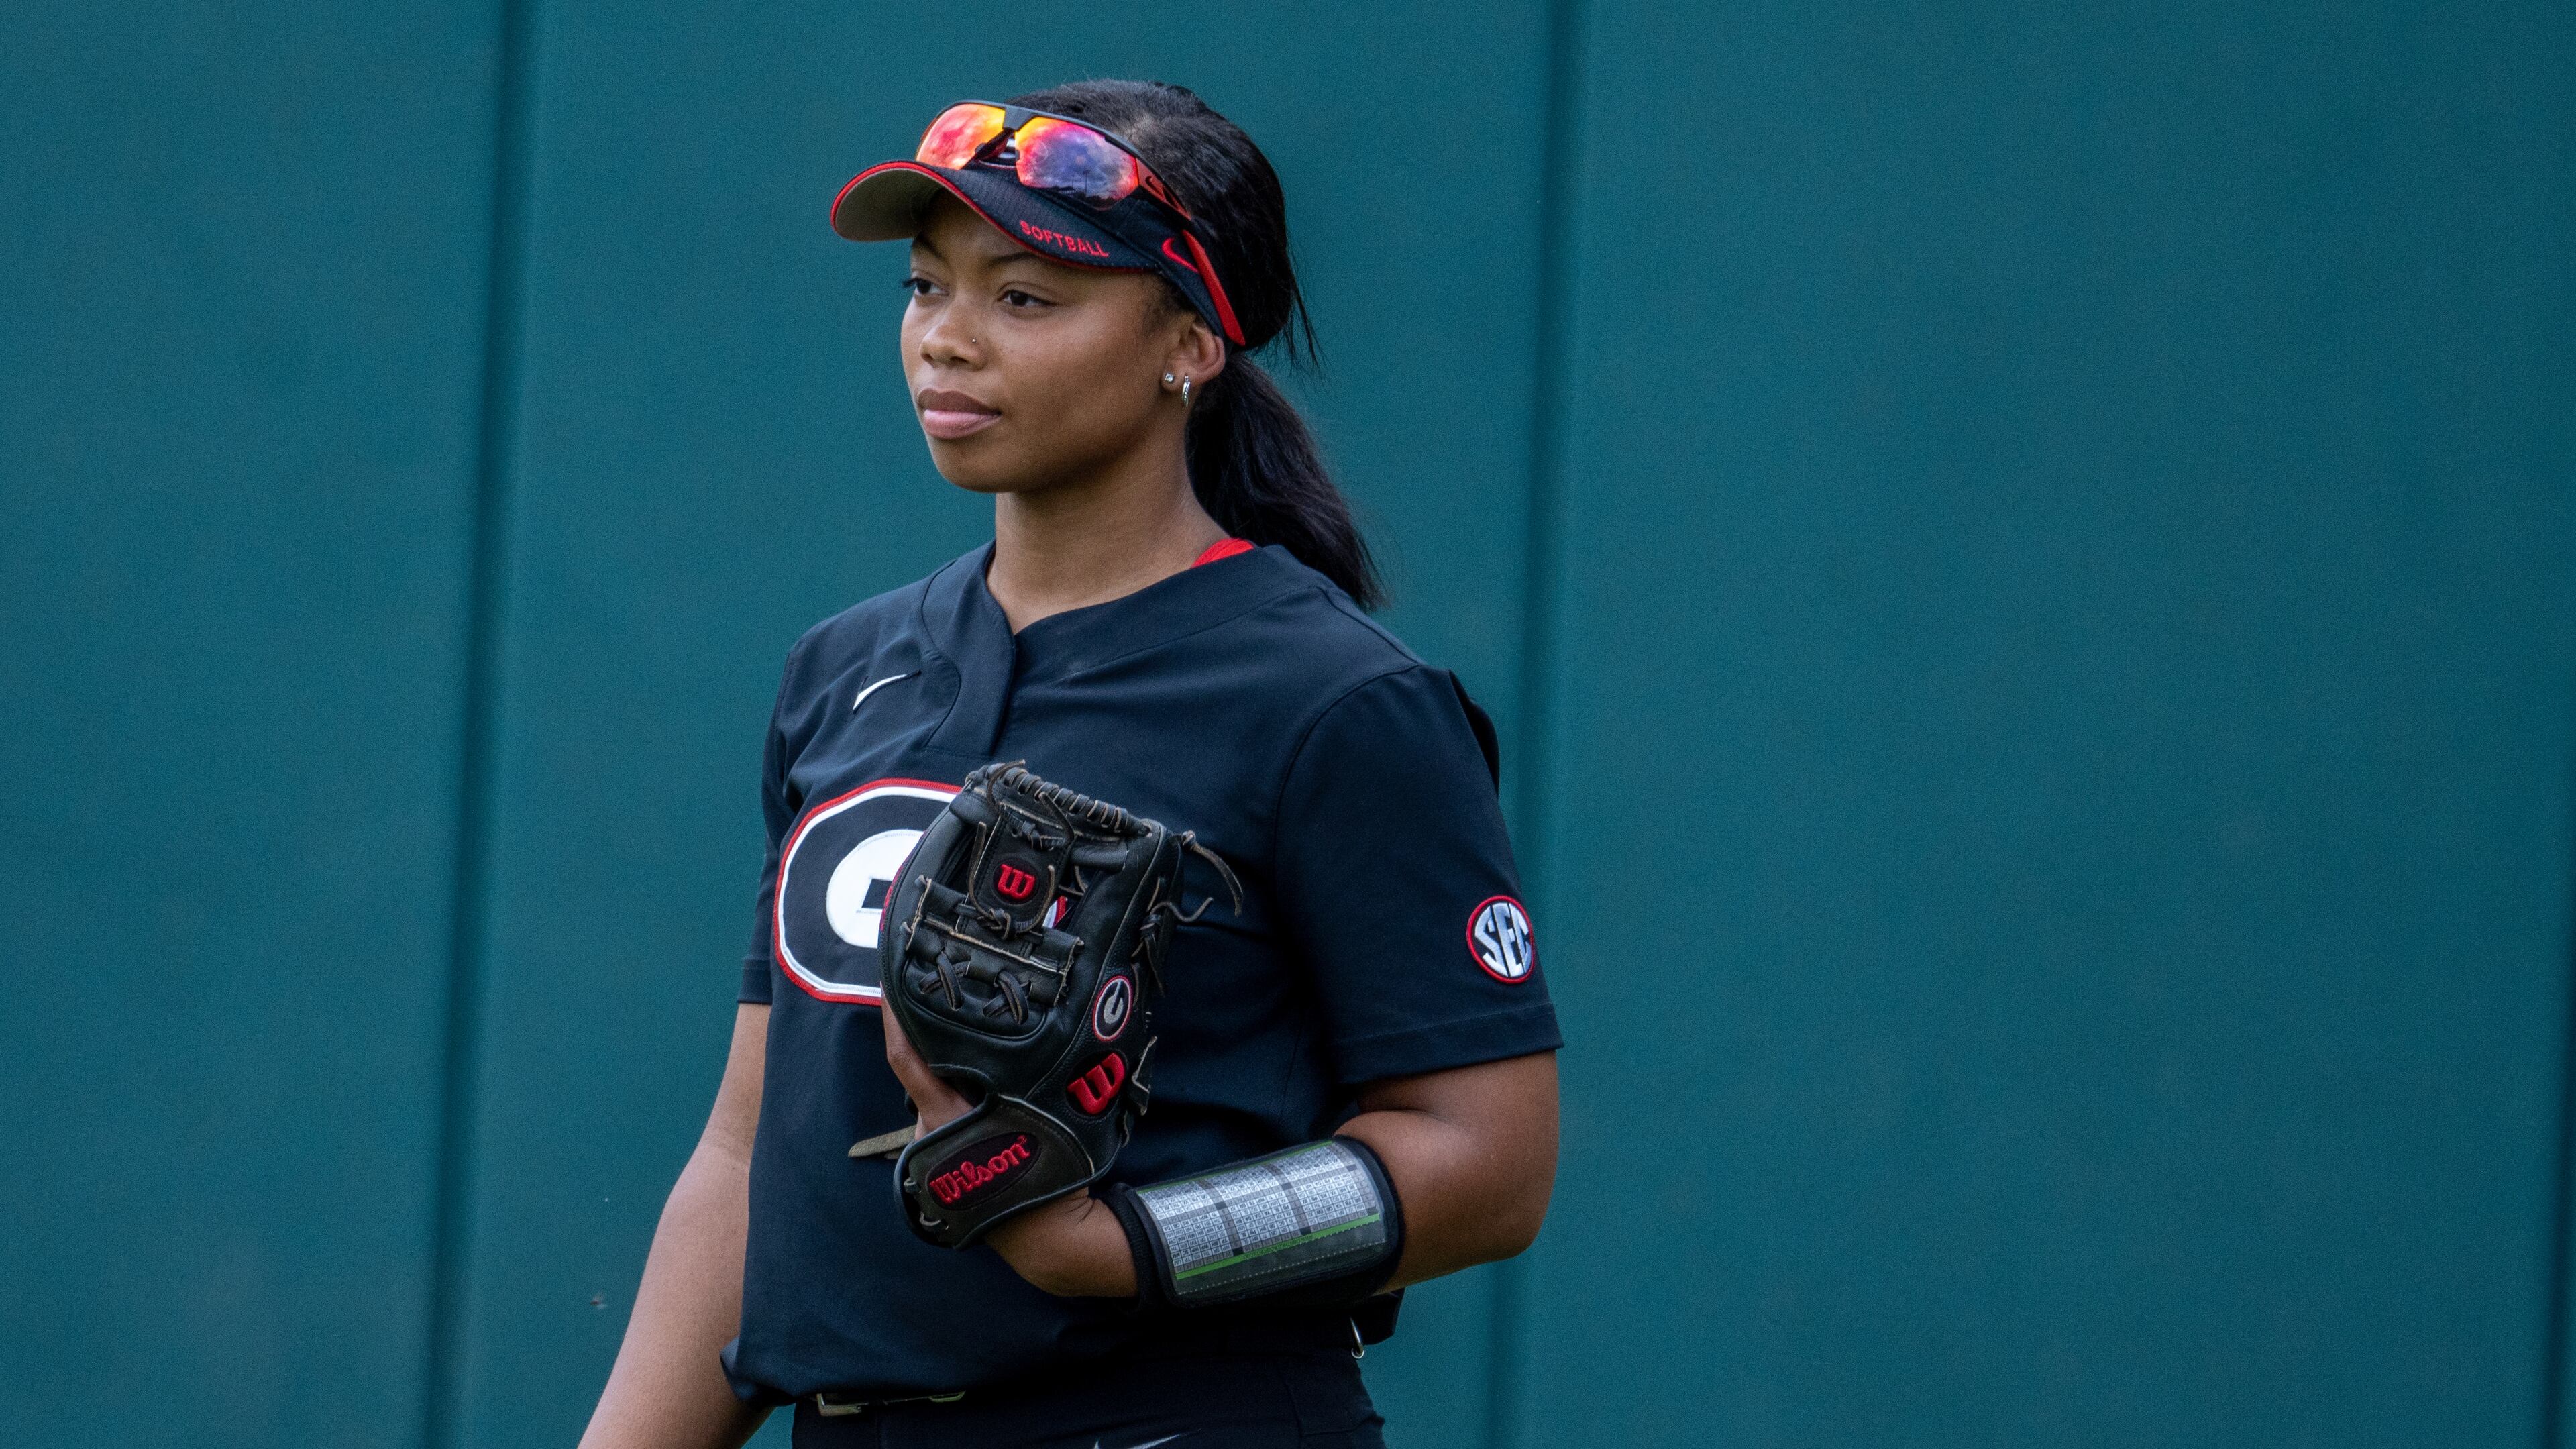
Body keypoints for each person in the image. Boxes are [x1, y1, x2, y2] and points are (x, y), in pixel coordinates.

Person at [579, 79, 1561, 1449]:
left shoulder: (1335, 700)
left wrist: (1113, 1244)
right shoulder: (844, 674)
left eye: (1025, 299)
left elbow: (1491, 1163)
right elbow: (749, 1157)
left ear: (1191, 343)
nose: (947, 342)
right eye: (927, 288)